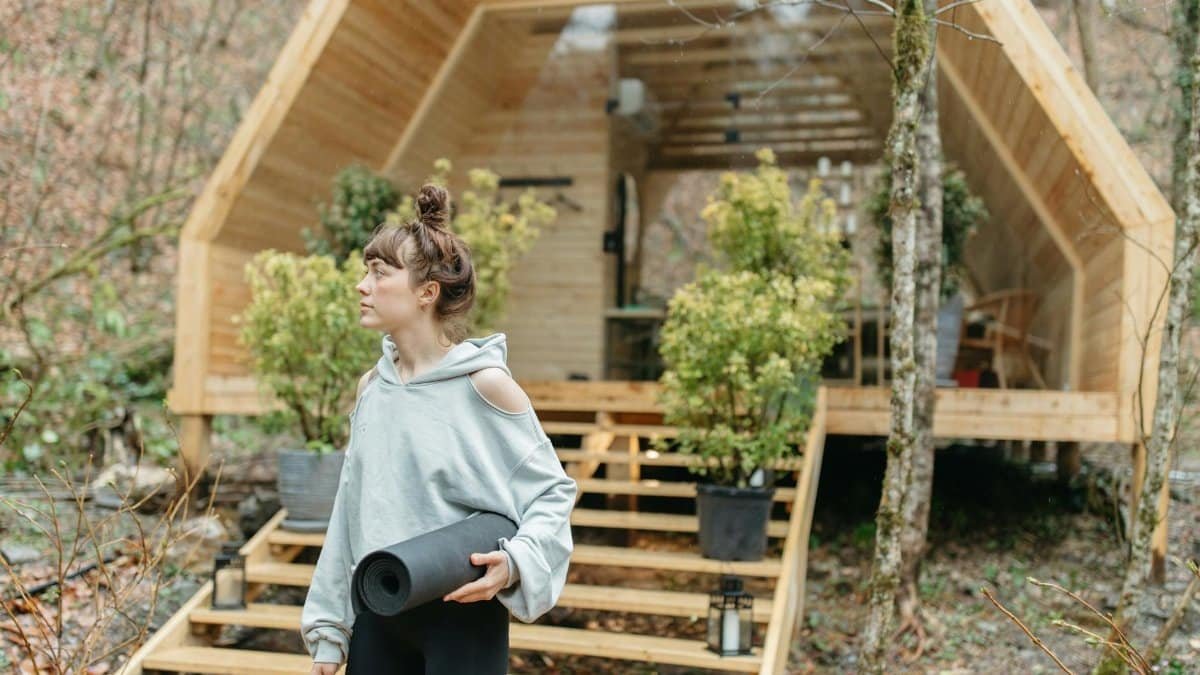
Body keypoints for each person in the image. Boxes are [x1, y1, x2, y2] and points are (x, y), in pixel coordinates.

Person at [300, 184, 577, 674]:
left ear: (427, 292)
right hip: (378, 608)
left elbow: (553, 492)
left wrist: (515, 563)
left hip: (463, 618)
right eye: (366, 272)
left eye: (379, 273)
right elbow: (350, 509)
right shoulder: (372, 389)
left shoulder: (486, 386)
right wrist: (328, 628)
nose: (363, 286)